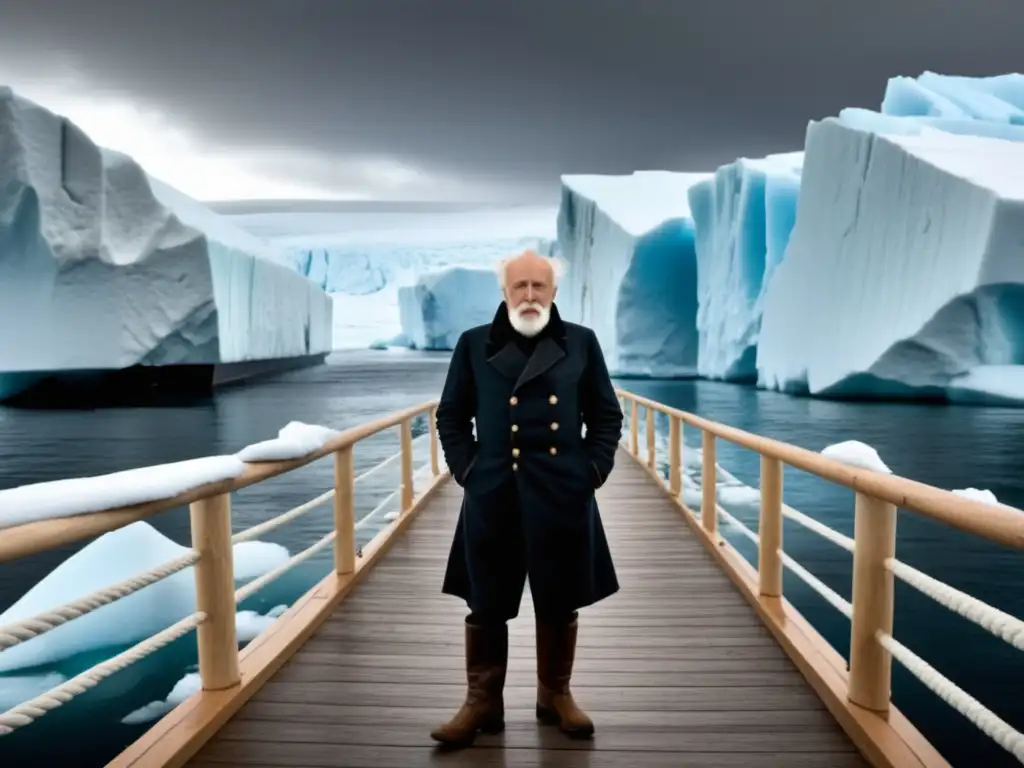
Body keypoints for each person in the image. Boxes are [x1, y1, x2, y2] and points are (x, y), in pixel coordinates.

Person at [430, 249, 623, 748]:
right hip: (494, 492)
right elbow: (450, 416)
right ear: (505, 292)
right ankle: (482, 702)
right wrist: (469, 470)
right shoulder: (475, 344)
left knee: (559, 597)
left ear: (554, 292)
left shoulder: (581, 342)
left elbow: (606, 416)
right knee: (486, 601)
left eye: (540, 286)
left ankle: (554, 694)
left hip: (562, 493)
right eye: (521, 286)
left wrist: (592, 471)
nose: (530, 296)